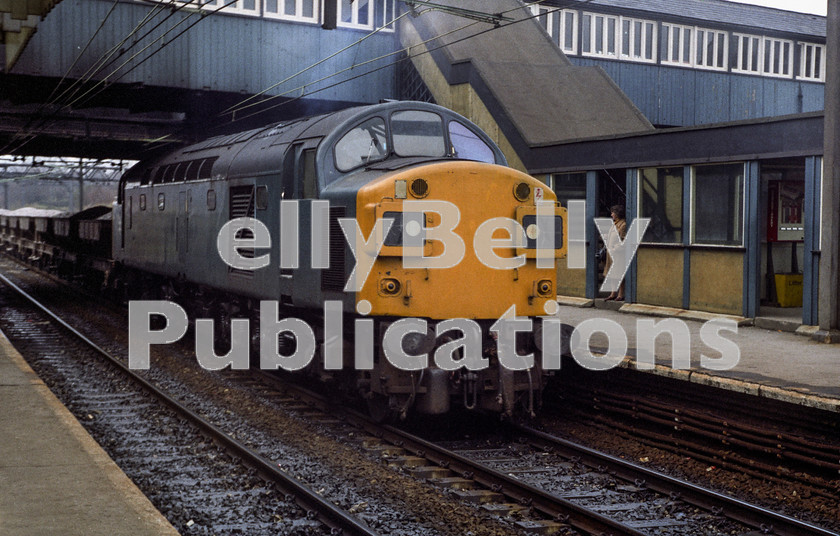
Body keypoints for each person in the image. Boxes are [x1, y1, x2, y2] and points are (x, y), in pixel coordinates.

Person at [604, 204, 627, 301]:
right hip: (611, 254)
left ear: (617, 214)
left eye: (613, 212)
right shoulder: (614, 224)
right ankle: (613, 293)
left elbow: (623, 240)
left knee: (619, 274)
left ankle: (620, 294)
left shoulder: (623, 225)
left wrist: (615, 249)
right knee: (612, 274)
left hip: (618, 255)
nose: (611, 214)